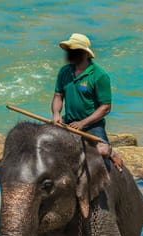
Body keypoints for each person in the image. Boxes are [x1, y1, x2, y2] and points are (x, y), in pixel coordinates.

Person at [51, 33, 123, 171]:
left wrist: (83, 123)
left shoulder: (99, 75)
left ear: (84, 53)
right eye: (69, 51)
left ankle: (111, 152)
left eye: (73, 51)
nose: (69, 54)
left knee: (101, 152)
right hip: (68, 121)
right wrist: (56, 115)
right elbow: (58, 96)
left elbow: (105, 107)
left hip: (92, 125)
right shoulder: (64, 72)